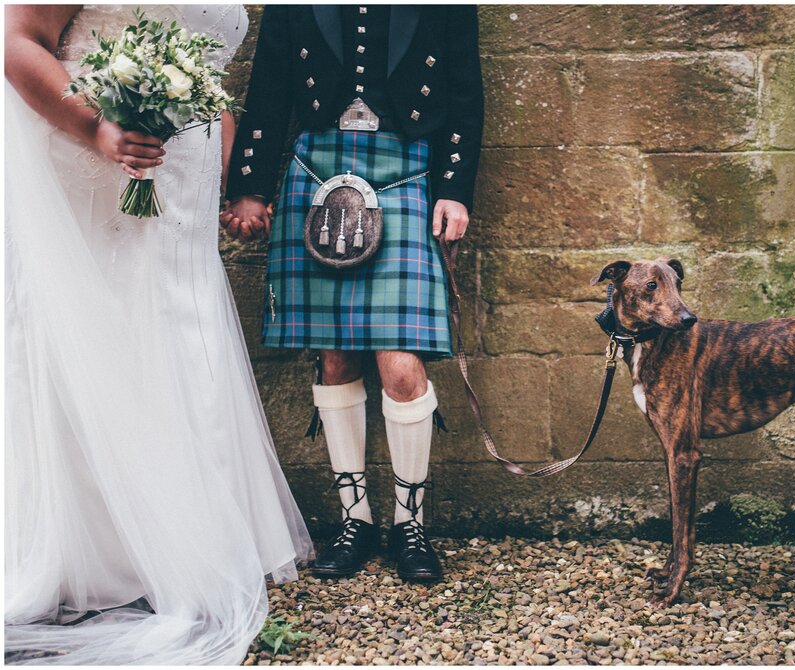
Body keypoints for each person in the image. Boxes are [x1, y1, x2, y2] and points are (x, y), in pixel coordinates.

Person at [4, 5, 312, 664]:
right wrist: (97, 129)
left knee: (181, 335)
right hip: (100, 167)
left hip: (186, 184)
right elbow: (17, 42)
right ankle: (101, 558)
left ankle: (184, 545)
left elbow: (207, 82)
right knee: (109, 347)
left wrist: (241, 182)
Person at [222, 5, 483, 582]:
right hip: (317, 169)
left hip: (408, 171)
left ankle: (409, 524)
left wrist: (456, 188)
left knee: (401, 366)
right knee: (334, 356)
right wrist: (250, 187)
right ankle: (355, 520)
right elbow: (268, 89)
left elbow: (466, 94)